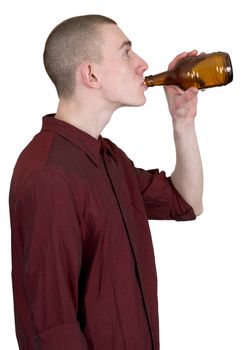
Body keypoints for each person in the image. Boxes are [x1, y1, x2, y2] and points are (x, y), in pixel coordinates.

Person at [9, 14, 203, 350]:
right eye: (126, 53)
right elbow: (53, 330)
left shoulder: (110, 158)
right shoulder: (49, 176)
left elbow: (186, 202)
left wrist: (182, 121)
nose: (143, 64)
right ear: (91, 74)